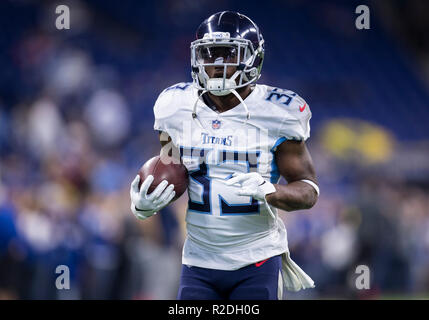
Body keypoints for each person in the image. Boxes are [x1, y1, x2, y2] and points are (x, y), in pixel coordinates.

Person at [130, 11, 319, 300]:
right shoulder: (175, 107)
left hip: (256, 258)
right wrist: (147, 203)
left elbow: (308, 191)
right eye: (209, 55)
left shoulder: (278, 112)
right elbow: (173, 173)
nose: (217, 65)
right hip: (198, 260)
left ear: (253, 58)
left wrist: (271, 191)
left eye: (228, 54)